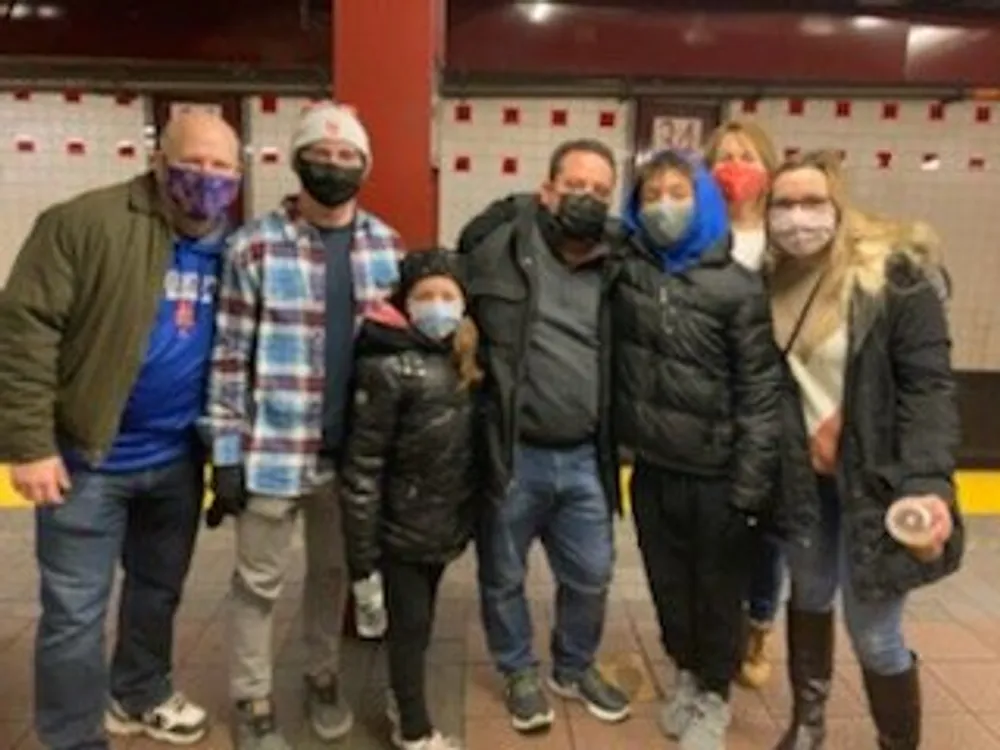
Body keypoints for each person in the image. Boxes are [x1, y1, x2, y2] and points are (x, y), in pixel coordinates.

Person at [0, 110, 242, 749]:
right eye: (195, 162)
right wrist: (28, 445)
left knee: (157, 592)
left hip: (179, 461)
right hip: (87, 460)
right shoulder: (84, 224)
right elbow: (23, 334)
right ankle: (73, 737)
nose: (208, 178)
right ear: (160, 161)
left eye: (223, 167)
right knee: (74, 613)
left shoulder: (230, 247)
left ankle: (141, 693)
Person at [204, 101, 405, 750]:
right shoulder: (253, 245)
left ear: (364, 167)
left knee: (330, 577)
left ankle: (322, 677)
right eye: (321, 154)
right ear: (297, 160)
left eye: (348, 157)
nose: (334, 166)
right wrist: (226, 452)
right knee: (257, 585)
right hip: (272, 450)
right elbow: (230, 353)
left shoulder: (386, 246)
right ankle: (253, 699)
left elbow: (396, 357)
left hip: (352, 458)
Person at [765, 150, 963, 750]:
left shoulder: (892, 278)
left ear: (838, 205)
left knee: (875, 630)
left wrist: (926, 483)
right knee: (809, 592)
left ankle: (897, 742)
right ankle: (808, 722)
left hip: (876, 481)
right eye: (784, 204)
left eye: (812, 202)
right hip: (802, 482)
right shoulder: (768, 282)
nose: (798, 216)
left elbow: (928, 388)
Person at [611, 149, 782, 750]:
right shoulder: (626, 270)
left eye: (678, 192)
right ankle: (686, 672)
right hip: (654, 473)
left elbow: (762, 393)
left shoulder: (736, 286)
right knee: (667, 588)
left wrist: (750, 484)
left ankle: (715, 695)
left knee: (717, 593)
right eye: (650, 195)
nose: (663, 205)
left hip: (718, 476)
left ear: (704, 201)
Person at [458, 139, 630, 734]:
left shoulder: (620, 263)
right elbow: (449, 284)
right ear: (548, 190)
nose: (587, 198)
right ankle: (518, 670)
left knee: (592, 575)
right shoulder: (502, 246)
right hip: (513, 452)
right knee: (503, 575)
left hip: (586, 456)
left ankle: (573, 666)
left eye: (600, 191)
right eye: (575, 185)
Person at [340, 249, 480, 750]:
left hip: (440, 528)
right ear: (404, 301)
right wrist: (362, 562)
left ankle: (405, 701)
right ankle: (413, 727)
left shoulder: (463, 356)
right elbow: (362, 468)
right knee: (412, 628)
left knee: (419, 623)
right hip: (401, 531)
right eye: (425, 296)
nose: (437, 305)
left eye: (448, 296)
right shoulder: (387, 366)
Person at [704, 119, 784, 689]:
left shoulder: (788, 239)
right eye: (724, 156)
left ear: (770, 168)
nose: (734, 166)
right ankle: (717, 632)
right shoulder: (700, 236)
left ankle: (760, 624)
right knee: (717, 528)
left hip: (777, 403)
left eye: (747, 155)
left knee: (768, 530)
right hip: (710, 405)